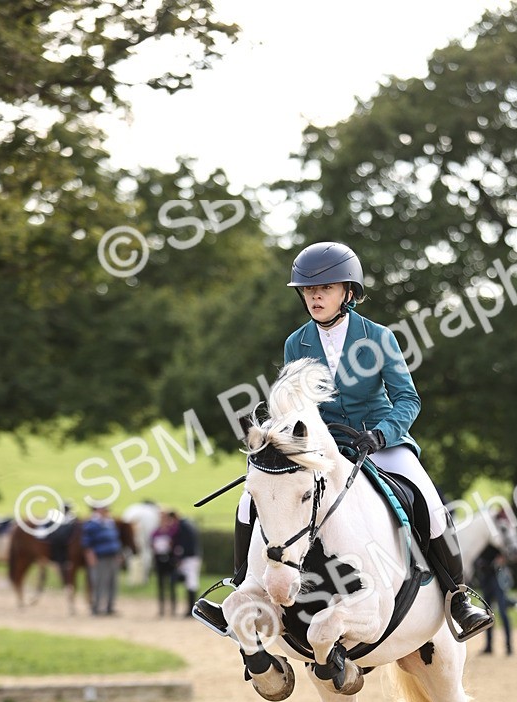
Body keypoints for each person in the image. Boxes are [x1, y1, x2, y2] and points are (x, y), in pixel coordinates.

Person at [194, 240, 492, 641]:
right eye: (308, 290)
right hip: (320, 449)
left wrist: (382, 433)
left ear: (348, 292)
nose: (315, 297)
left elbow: (408, 399)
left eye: (326, 288)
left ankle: (458, 596)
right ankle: (242, 585)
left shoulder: (379, 337)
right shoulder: (296, 342)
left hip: (379, 442)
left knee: (429, 502)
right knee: (251, 499)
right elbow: (293, 406)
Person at [80, 504, 122, 615]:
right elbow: (87, 543)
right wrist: (90, 556)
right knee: (99, 582)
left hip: (112, 556)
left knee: (112, 582)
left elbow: (115, 540)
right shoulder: (92, 525)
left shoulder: (109, 523)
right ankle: (96, 607)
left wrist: (118, 554)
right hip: (100, 557)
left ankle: (110, 607)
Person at [473, 546, 514, 656]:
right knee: (488, 613)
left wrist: (503, 558)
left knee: (502, 612)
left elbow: (509, 550)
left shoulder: (497, 539)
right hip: (485, 576)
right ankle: (489, 646)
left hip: (496, 576)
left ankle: (509, 646)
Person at [171, 510, 202, 617]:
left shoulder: (183, 527)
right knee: (191, 583)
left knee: (191, 583)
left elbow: (185, 544)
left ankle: (192, 608)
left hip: (190, 558)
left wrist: (181, 557)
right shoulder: (187, 524)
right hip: (192, 556)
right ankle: (192, 608)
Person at [151, 511, 179, 616]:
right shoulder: (156, 532)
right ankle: (162, 609)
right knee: (161, 585)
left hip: (169, 559)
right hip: (159, 559)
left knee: (172, 584)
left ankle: (173, 609)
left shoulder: (172, 531)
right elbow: (152, 543)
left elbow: (176, 543)